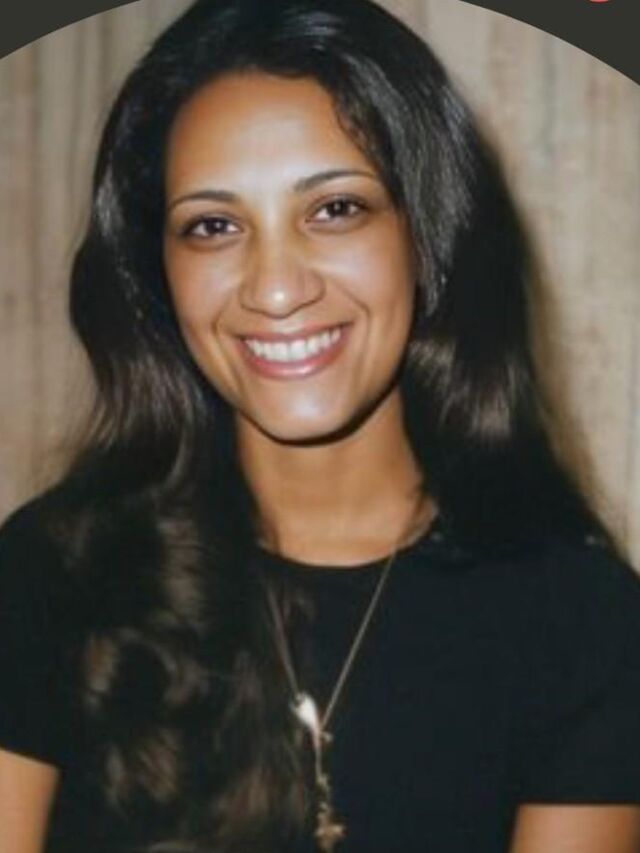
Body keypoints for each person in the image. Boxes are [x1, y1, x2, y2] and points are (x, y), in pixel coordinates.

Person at [1, 0, 640, 851]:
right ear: (157, 275)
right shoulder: (50, 572)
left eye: (335, 209)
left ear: (429, 234)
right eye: (213, 225)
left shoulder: (582, 620)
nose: (275, 287)